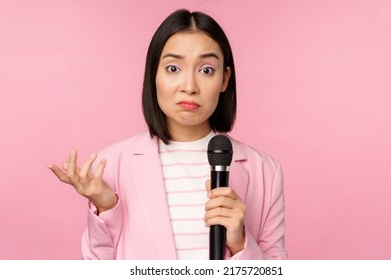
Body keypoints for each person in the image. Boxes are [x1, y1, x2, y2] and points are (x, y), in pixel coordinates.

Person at [49, 9, 287, 260]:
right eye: (173, 68)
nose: (189, 87)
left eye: (206, 70)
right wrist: (107, 208)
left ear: (225, 79)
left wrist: (240, 243)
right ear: (154, 74)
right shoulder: (109, 168)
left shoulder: (266, 172)